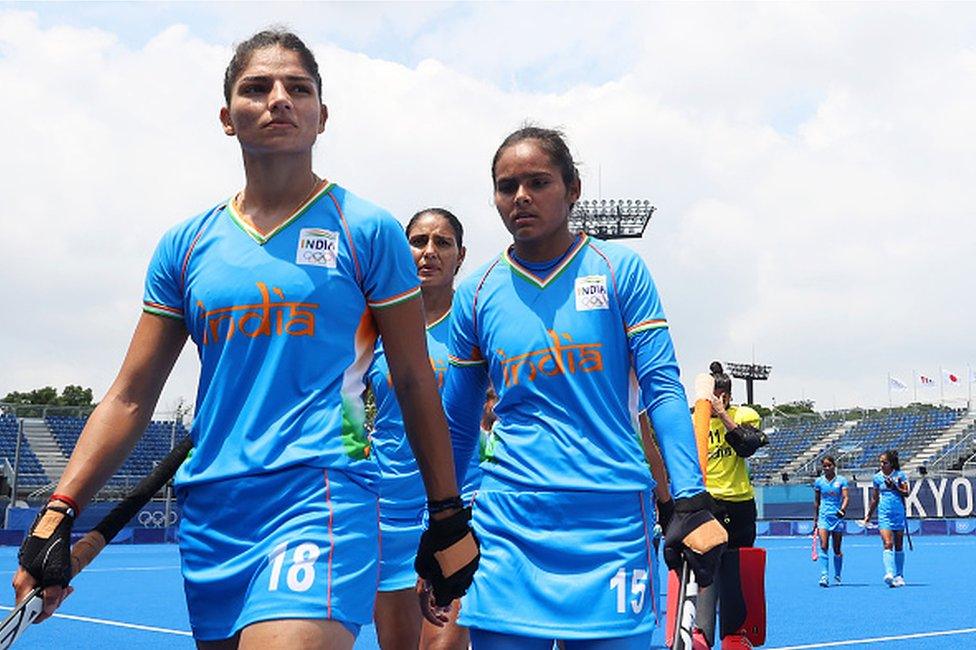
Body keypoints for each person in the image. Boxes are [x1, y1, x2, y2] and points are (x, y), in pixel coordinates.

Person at [12, 30, 476, 649]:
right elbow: (129, 397)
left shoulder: (368, 230)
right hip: (213, 515)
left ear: (321, 115)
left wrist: (446, 514)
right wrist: (57, 512)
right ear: (228, 118)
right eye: (256, 88)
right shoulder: (187, 244)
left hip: (322, 491)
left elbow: (417, 380)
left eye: (298, 88)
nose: (278, 99)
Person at [440, 125, 725, 648]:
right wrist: (444, 516)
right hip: (508, 524)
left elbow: (662, 387)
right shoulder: (477, 291)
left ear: (573, 189)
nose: (520, 196)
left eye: (538, 182)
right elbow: (457, 422)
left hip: (609, 521)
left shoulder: (620, 270)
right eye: (507, 186)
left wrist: (689, 496)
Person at [367, 207, 474, 650]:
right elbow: (349, 413)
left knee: (443, 646)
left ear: (460, 255)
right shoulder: (373, 330)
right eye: (418, 241)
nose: (429, 252)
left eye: (442, 242)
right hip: (385, 509)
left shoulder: (474, 325)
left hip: (459, 505)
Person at [694, 361, 767, 649]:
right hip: (711, 502)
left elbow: (747, 445)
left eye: (720, 395)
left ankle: (737, 633)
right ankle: (702, 632)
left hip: (740, 503)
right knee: (707, 567)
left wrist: (723, 415)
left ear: (727, 395)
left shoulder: (743, 414)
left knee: (738, 568)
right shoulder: (696, 423)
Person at [861, 449, 909, 587]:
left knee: (899, 545)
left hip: (898, 513)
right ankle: (889, 573)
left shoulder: (900, 476)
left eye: (885, 462)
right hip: (884, 514)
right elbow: (875, 498)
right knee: (888, 543)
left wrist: (895, 487)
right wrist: (868, 515)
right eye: (881, 462)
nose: (882, 465)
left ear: (891, 463)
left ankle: (900, 575)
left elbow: (906, 493)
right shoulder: (877, 478)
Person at [813, 456, 849, 587]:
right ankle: (824, 576)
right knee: (823, 546)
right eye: (825, 466)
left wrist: (842, 509)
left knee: (837, 548)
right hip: (824, 517)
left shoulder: (841, 481)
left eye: (829, 465)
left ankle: (838, 575)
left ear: (834, 466)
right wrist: (815, 519)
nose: (827, 468)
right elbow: (817, 502)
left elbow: (845, 498)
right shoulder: (819, 482)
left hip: (837, 517)